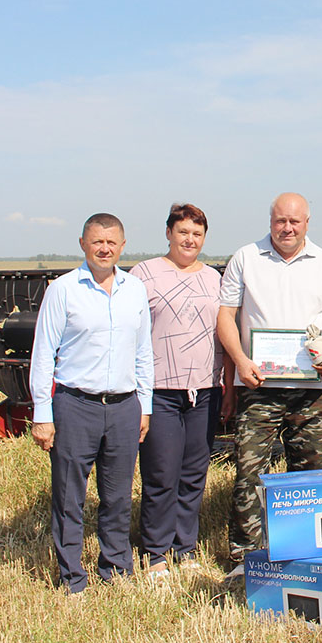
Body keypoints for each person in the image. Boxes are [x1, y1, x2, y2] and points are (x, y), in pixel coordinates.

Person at [217, 192, 322, 574]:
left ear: (307, 222)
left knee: (309, 478)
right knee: (249, 475)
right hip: (258, 385)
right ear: (270, 220)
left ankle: (302, 553)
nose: (287, 228)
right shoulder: (246, 258)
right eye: (280, 221)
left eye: (295, 221)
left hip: (312, 390)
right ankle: (245, 559)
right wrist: (241, 362)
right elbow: (225, 316)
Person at [29, 213, 154, 593]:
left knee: (117, 496)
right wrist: (42, 413)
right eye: (97, 241)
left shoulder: (135, 290)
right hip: (75, 405)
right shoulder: (64, 290)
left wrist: (144, 406)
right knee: (69, 497)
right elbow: (43, 354)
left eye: (112, 242)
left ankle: (115, 568)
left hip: (123, 406)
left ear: (122, 245)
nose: (104, 248)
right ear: (83, 243)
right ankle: (72, 579)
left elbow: (143, 352)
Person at [129, 203, 228, 580]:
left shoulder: (214, 279)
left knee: (193, 474)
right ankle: (155, 554)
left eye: (197, 234)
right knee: (161, 473)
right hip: (160, 390)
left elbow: (224, 331)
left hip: (204, 389)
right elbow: (133, 334)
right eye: (183, 231)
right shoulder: (145, 274)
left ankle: (184, 549)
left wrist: (225, 385)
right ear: (169, 233)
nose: (190, 239)